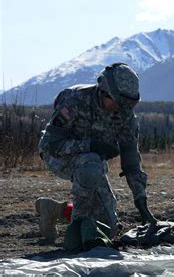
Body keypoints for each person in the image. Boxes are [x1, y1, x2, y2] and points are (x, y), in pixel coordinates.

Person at [36, 62, 156, 250]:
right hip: (57, 155)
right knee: (90, 165)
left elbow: (131, 161)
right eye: (118, 102)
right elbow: (53, 144)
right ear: (103, 92)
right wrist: (90, 145)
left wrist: (141, 200)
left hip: (91, 165)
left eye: (127, 104)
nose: (121, 108)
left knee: (107, 228)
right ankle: (76, 227)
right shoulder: (75, 100)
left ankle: (55, 210)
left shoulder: (125, 115)